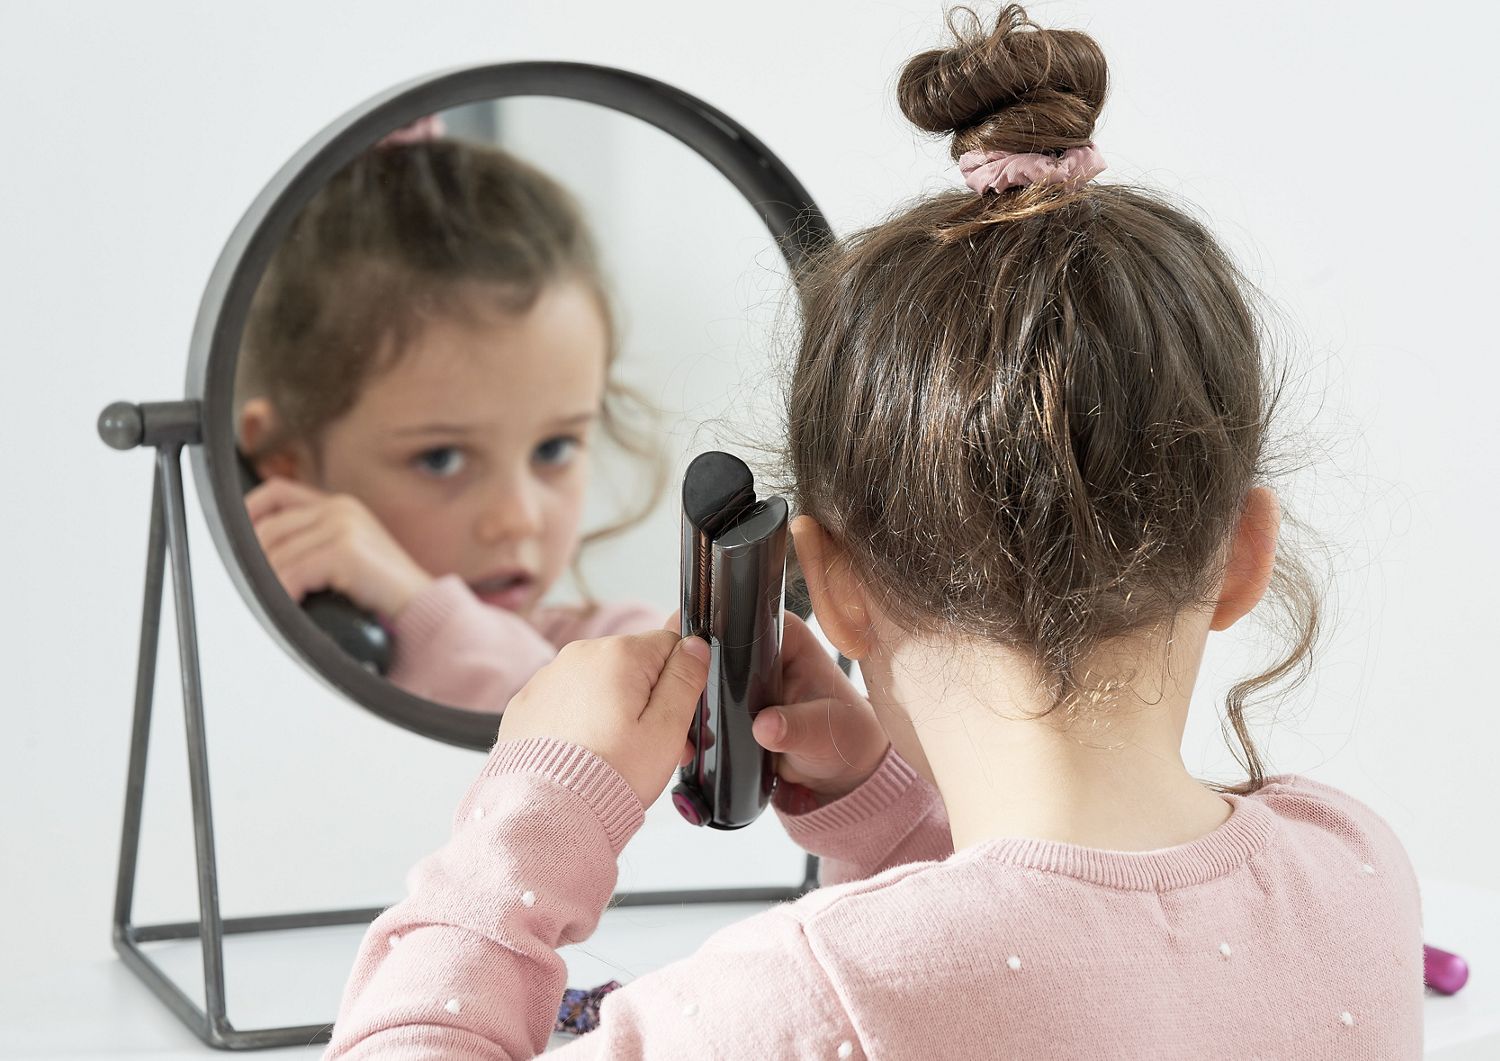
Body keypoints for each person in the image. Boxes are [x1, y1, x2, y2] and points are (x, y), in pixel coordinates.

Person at [322, 6, 1423, 1056]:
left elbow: (956, 975)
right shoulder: (1355, 871)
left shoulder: (800, 995)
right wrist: (887, 821)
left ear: (834, 589)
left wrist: (540, 808)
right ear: (1241, 556)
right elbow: (1068, 954)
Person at [236, 119, 663, 712]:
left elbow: (574, 730)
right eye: (442, 458)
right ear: (285, 462)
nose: (517, 519)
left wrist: (422, 610)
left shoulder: (636, 656)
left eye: (555, 449)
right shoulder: (245, 690)